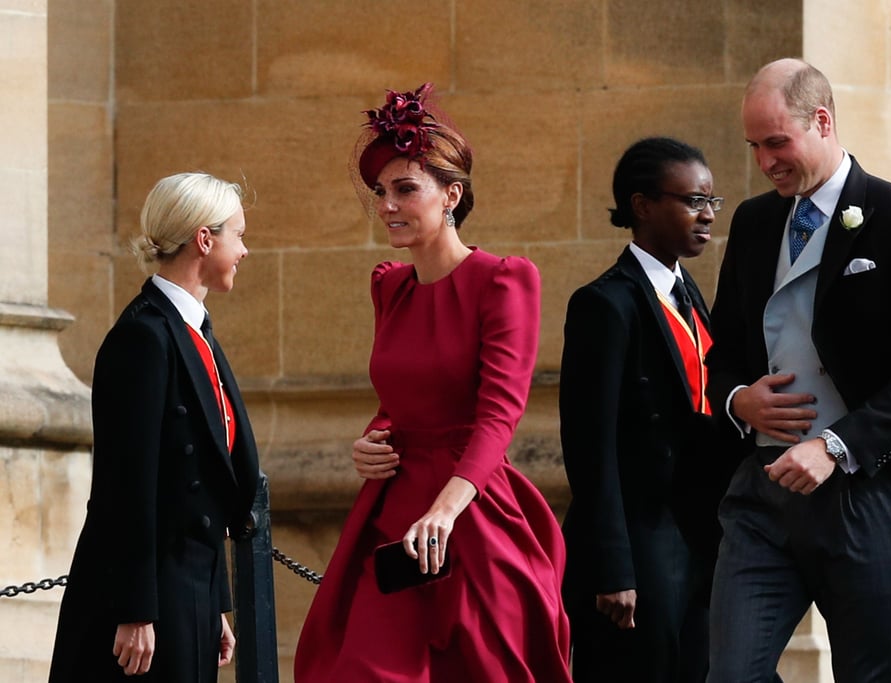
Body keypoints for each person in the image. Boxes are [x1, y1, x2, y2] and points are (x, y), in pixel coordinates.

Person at [704, 58, 891, 682]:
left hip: (867, 494)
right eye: (754, 145)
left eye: (777, 142)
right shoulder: (752, 223)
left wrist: (835, 447)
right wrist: (737, 400)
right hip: (761, 491)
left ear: (823, 121)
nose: (765, 162)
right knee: (729, 674)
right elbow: (721, 352)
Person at [293, 83, 571, 682]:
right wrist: (373, 437)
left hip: (471, 510)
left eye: (405, 189)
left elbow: (500, 414)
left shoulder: (504, 281)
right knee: (360, 669)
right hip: (393, 511)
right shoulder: (388, 285)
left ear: (452, 194)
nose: (388, 205)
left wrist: (445, 511)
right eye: (381, 192)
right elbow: (400, 396)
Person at [48, 172, 261, 682]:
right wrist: (134, 610)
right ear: (204, 240)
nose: (245, 250)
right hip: (150, 595)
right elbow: (125, 487)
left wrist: (219, 604)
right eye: (239, 234)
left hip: (192, 586)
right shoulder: (143, 337)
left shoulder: (195, 329)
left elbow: (211, 484)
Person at [559, 137, 732, 682]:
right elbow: (590, 447)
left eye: (711, 202)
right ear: (642, 206)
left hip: (699, 537)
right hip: (638, 544)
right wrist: (612, 567)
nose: (706, 216)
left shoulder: (690, 294)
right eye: (692, 201)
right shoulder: (605, 304)